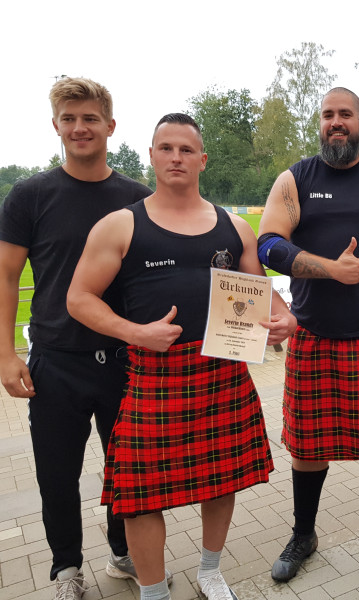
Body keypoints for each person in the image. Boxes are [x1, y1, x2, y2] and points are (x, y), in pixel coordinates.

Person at [66, 113, 296, 600]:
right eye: (166, 148)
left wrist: (285, 321)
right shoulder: (121, 225)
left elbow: (264, 297)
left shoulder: (235, 227)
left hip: (223, 374)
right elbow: (79, 298)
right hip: (155, 377)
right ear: (151, 156)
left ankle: (210, 572)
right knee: (140, 497)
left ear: (202, 160)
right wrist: (135, 333)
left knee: (222, 480)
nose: (176, 157)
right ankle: (154, 592)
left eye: (186, 149)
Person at [0, 77, 166, 599]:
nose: (79, 128)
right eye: (69, 119)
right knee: (57, 474)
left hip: (124, 361)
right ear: (55, 126)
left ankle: (123, 552)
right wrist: (5, 355)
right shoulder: (30, 195)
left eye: (90, 118)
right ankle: (65, 569)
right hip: (56, 362)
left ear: (110, 126)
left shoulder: (137, 198)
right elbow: (6, 276)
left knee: (129, 469)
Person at [256, 87, 359, 582]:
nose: (336, 122)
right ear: (320, 122)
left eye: (345, 114)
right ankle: (303, 534)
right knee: (308, 448)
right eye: (328, 114)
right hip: (313, 336)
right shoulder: (296, 179)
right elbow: (267, 244)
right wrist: (331, 268)